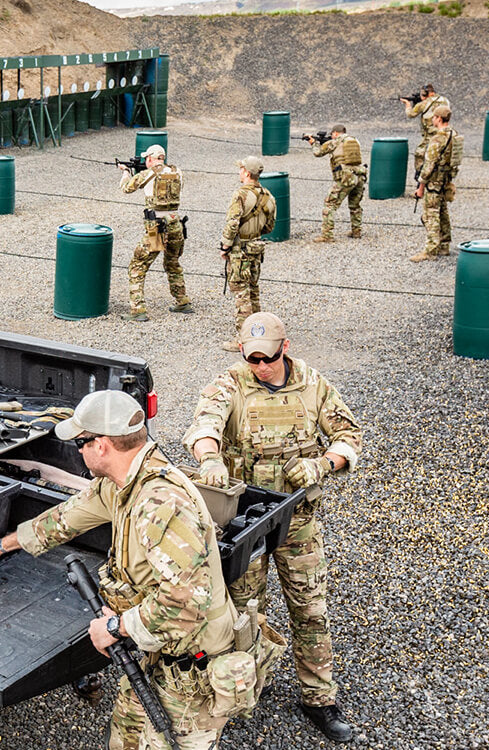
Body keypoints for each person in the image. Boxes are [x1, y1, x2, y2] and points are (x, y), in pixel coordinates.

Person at [0, 389, 244, 749]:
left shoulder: (161, 504)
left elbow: (187, 603)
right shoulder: (121, 484)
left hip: (190, 672)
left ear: (101, 446)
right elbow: (65, 519)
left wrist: (115, 627)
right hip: (154, 652)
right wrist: (1, 545)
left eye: (81, 443)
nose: (78, 451)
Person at [184, 312, 364, 743]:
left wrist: (324, 463)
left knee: (310, 610)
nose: (260, 366)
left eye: (267, 357)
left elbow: (349, 435)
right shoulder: (231, 382)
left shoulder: (312, 383)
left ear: (285, 348)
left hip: (297, 522)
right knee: (244, 612)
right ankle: (245, 691)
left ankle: (319, 699)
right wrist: (208, 457)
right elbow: (204, 424)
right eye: (252, 359)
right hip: (248, 524)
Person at [119, 144, 191, 322]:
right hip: (175, 224)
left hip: (157, 227)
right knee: (172, 263)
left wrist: (127, 172)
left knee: (137, 266)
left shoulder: (148, 173)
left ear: (150, 158)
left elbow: (126, 188)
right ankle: (182, 301)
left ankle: (138, 310)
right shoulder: (177, 171)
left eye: (146, 159)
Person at [218, 156, 278, 352]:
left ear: (246, 173)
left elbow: (232, 222)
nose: (239, 172)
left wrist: (225, 246)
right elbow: (270, 226)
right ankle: (260, 332)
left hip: (239, 249)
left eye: (241, 169)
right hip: (255, 247)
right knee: (253, 290)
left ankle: (243, 339)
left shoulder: (240, 195)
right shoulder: (268, 196)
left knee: (241, 294)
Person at [411, 106, 457, 263]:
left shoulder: (437, 138)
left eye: (434, 117)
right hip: (445, 179)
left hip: (434, 181)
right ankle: (444, 245)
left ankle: (430, 250)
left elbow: (429, 165)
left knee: (431, 214)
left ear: (439, 118)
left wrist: (421, 186)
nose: (431, 119)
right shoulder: (454, 135)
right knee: (443, 211)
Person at [309, 126, 366, 243]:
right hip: (359, 175)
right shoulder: (354, 140)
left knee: (329, 205)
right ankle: (356, 231)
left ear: (335, 133)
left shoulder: (335, 141)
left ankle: (327, 235)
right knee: (355, 205)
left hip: (346, 177)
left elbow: (318, 153)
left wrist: (313, 143)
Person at [402, 83, 451, 176]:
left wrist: (408, 105)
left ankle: (420, 177)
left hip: (430, 136)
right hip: (445, 133)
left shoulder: (425, 103)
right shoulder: (445, 100)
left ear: (425, 94)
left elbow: (411, 114)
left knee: (420, 154)